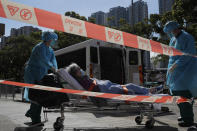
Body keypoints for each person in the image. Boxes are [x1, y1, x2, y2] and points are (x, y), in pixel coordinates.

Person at [164, 21, 197, 127]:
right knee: (177, 94)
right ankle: (184, 115)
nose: (171, 33)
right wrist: (171, 67)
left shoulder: (187, 37)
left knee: (184, 94)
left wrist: (176, 64)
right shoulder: (173, 39)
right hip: (175, 72)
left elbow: (189, 54)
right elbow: (171, 54)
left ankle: (188, 120)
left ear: (177, 28)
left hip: (186, 71)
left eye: (172, 30)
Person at [23, 31, 58, 126]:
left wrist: (56, 69)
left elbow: (53, 60)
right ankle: (35, 118)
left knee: (38, 96)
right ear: (48, 39)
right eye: (53, 39)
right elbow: (44, 60)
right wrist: (52, 68)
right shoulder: (39, 47)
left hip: (41, 74)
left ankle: (33, 114)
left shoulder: (50, 49)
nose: (54, 41)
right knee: (36, 95)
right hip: (32, 73)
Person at [66, 63, 163, 96]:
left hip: (105, 85)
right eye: (78, 69)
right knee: (129, 90)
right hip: (104, 89)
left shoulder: (83, 78)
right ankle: (149, 92)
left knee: (129, 86)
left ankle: (149, 91)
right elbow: (92, 88)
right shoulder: (82, 81)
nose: (80, 70)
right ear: (75, 73)